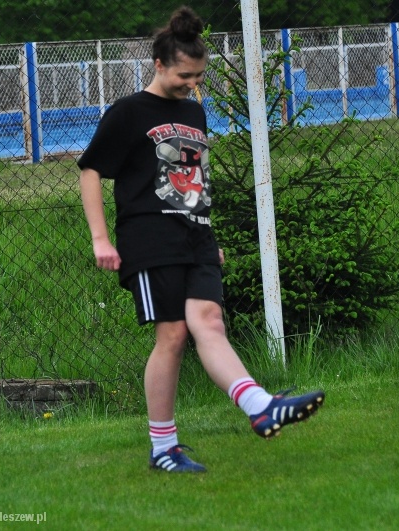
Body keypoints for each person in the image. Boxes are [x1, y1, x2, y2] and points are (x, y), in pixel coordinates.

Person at [78, 6, 324, 473]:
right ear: (158, 64)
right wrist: (100, 239)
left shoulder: (193, 111)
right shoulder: (128, 112)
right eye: (184, 76)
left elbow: (190, 177)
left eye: (198, 76)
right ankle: (163, 448)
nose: (191, 84)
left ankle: (260, 408)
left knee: (209, 322)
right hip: (150, 240)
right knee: (172, 335)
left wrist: (206, 232)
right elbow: (90, 171)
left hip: (196, 238)